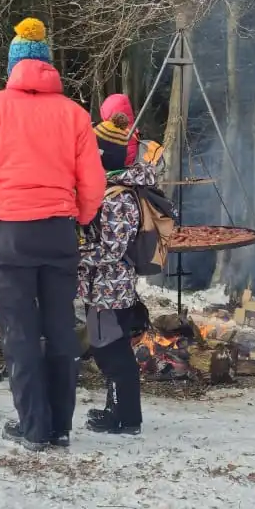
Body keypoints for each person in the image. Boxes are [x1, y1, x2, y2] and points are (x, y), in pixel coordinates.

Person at [0, 18, 104, 451]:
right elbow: (94, 184)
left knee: (19, 329)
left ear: (12, 67)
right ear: (48, 66)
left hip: (9, 230)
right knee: (61, 324)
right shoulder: (75, 113)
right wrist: (77, 215)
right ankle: (60, 425)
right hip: (59, 229)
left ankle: (34, 426)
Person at [81, 115, 157, 436]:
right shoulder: (113, 189)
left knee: (111, 351)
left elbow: (112, 249)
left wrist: (76, 257)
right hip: (109, 286)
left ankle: (126, 418)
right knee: (111, 348)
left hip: (110, 288)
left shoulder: (118, 197)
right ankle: (118, 410)